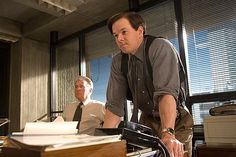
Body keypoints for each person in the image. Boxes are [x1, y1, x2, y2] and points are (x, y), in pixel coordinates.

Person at [102, 11, 194, 157]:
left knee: (171, 153)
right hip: (146, 121)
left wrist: (168, 134)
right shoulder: (118, 62)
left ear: (140, 31)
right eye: (115, 35)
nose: (119, 39)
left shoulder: (160, 47)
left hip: (175, 120)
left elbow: (166, 94)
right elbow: (114, 106)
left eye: (124, 32)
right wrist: (102, 142)